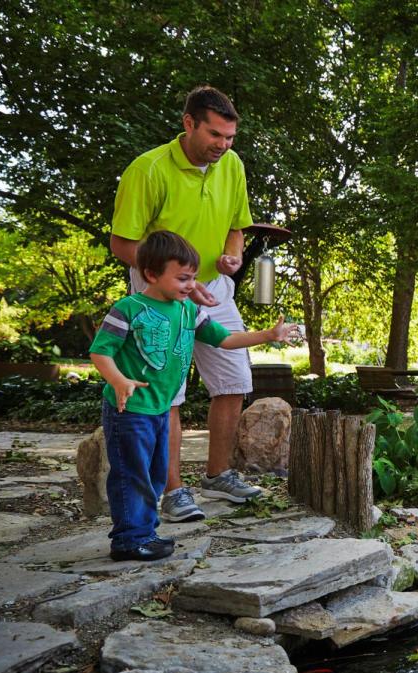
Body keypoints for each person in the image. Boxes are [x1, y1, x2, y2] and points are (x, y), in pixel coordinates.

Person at [90, 231, 300, 561]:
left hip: (159, 408)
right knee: (133, 473)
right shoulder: (129, 308)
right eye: (183, 278)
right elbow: (100, 352)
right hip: (129, 408)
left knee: (157, 473)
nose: (191, 285)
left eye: (193, 277)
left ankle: (144, 532)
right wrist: (118, 381)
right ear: (151, 274)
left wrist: (269, 335)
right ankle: (129, 539)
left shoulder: (189, 311)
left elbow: (225, 340)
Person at [110, 85, 259, 523]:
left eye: (230, 137)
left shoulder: (231, 165)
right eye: (215, 135)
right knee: (168, 393)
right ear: (188, 123)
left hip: (215, 288)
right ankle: (173, 491)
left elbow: (237, 225)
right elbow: (123, 243)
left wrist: (233, 255)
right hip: (160, 290)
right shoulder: (148, 169)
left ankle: (218, 473)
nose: (223, 145)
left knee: (234, 381)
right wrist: (178, 279)